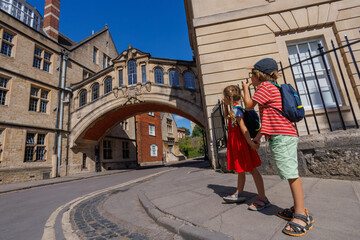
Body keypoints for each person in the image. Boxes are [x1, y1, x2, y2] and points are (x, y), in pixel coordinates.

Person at [242, 58, 313, 237]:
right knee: (289, 172)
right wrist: (258, 137)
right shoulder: (273, 88)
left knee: (291, 174)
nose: (250, 77)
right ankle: (298, 208)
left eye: (251, 74)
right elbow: (268, 120)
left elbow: (249, 106)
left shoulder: (265, 87)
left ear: (258, 76)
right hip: (281, 135)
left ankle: (300, 215)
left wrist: (245, 89)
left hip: (283, 137)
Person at [222, 85, 270, 211]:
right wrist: (225, 105)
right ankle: (239, 192)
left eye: (224, 98)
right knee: (240, 169)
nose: (223, 99)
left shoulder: (237, 110)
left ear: (228, 97)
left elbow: (243, 129)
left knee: (252, 169)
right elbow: (225, 116)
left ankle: (262, 197)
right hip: (236, 143)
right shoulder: (233, 109)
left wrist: (250, 143)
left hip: (241, 143)